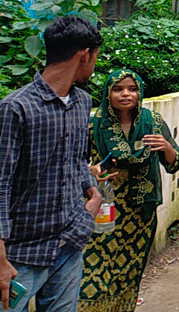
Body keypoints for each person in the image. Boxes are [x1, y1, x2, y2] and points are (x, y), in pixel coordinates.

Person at [0, 16, 104, 312]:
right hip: (20, 255)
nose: (94, 64)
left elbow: (76, 159)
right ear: (84, 54)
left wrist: (92, 194)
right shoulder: (15, 108)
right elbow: (1, 183)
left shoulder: (82, 102)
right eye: (95, 57)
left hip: (70, 242)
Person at [78, 70, 179, 312]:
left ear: (139, 93)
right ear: (108, 93)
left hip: (139, 215)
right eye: (118, 89)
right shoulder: (94, 125)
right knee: (93, 272)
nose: (126, 94)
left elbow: (174, 164)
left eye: (132, 89)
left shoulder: (152, 122)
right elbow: (74, 164)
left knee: (128, 274)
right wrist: (90, 170)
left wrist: (166, 147)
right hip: (101, 211)